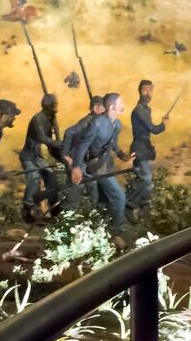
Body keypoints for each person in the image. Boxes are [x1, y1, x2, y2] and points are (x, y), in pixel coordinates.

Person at [69, 93, 132, 238]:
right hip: (96, 166)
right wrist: (76, 167)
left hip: (106, 164)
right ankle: (117, 229)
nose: (123, 106)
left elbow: (114, 145)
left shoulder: (117, 124)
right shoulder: (96, 123)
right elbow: (83, 146)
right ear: (111, 107)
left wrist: (124, 156)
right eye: (120, 103)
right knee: (119, 197)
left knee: (103, 199)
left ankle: (101, 228)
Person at [126, 80, 168, 217]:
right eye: (145, 89)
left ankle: (142, 208)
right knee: (145, 180)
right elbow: (153, 129)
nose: (148, 93)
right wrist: (163, 124)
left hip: (145, 148)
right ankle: (130, 205)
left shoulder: (146, 109)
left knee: (145, 181)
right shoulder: (139, 110)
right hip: (139, 149)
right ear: (140, 91)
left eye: (150, 90)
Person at [19, 94, 62, 223]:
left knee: (52, 180)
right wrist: (59, 143)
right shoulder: (37, 119)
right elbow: (42, 138)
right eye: (55, 104)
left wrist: (60, 156)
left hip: (37, 157)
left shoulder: (49, 119)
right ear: (49, 106)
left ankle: (54, 211)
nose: (57, 106)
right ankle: (28, 209)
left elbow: (49, 146)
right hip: (28, 156)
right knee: (34, 178)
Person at [61, 96, 107, 212]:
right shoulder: (88, 121)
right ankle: (67, 217)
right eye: (104, 107)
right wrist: (66, 155)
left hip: (82, 160)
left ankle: (93, 214)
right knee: (75, 189)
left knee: (91, 186)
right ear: (96, 108)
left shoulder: (96, 121)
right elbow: (69, 132)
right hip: (76, 160)